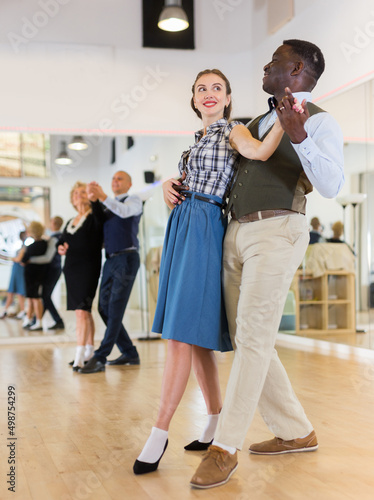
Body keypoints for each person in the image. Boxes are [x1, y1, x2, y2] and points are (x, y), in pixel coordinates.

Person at [190, 40, 345, 489]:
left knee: (255, 338)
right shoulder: (254, 121)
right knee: (248, 339)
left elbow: (332, 184)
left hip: (278, 231)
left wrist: (298, 135)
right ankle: (296, 431)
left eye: (274, 60)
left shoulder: (320, 120)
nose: (265, 65)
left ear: (296, 69)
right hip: (235, 233)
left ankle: (225, 446)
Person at [133, 68, 295, 475]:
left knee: (179, 335)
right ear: (193, 99)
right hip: (183, 224)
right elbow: (189, 179)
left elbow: (258, 152)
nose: (208, 94)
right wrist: (169, 184)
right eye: (201, 89)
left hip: (205, 224)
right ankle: (214, 420)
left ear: (227, 99)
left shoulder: (231, 131)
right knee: (198, 339)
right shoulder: (198, 140)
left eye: (216, 89)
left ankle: (159, 432)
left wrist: (286, 123)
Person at [78, 171, 142, 374]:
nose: (115, 181)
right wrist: (94, 200)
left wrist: (102, 197)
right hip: (111, 259)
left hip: (127, 258)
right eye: (113, 178)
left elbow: (123, 212)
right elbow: (99, 223)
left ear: (129, 184)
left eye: (120, 178)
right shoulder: (107, 205)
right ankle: (129, 352)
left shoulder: (134, 201)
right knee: (103, 308)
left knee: (114, 308)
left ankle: (100, 356)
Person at [58, 182, 104, 371]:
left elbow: (101, 225)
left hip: (88, 268)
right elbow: (62, 241)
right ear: (72, 198)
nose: (79, 195)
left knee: (81, 311)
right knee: (84, 312)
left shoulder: (94, 216)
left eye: (82, 192)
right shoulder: (70, 221)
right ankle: (89, 351)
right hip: (71, 269)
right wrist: (60, 247)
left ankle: (79, 355)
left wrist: (96, 200)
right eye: (75, 193)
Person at [28, 216, 65, 330]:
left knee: (45, 296)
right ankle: (37, 320)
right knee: (45, 295)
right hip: (54, 269)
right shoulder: (57, 237)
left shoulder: (54, 239)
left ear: (53, 223)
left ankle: (57, 321)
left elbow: (48, 258)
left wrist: (30, 259)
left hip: (53, 270)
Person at [21, 222, 48, 331]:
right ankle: (29, 318)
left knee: (34, 298)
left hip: (31, 274)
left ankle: (38, 321)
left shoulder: (31, 246)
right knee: (33, 297)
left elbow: (23, 260)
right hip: (41, 273)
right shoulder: (45, 244)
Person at [0, 231, 27, 319]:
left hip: (19, 270)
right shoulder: (21, 248)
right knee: (11, 291)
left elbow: (18, 259)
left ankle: (23, 311)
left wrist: (11, 258)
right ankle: (5, 310)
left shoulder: (24, 248)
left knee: (19, 292)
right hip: (16, 270)